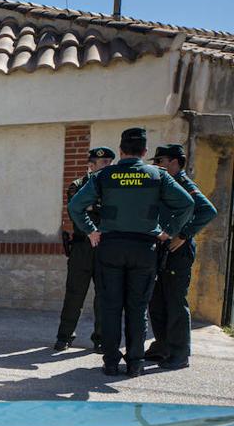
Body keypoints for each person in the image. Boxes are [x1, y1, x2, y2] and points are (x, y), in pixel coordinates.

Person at [67, 128, 193, 377]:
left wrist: (91, 231)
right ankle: (135, 362)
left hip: (110, 248)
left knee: (111, 307)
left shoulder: (105, 175)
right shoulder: (158, 175)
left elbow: (75, 205)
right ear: (145, 152)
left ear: (121, 150)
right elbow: (187, 204)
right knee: (137, 308)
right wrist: (168, 232)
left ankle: (111, 362)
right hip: (144, 249)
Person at [145, 143, 219, 370]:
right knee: (157, 300)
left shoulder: (185, 185)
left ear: (175, 162)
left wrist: (184, 235)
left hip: (178, 252)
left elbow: (208, 211)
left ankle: (179, 353)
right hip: (161, 249)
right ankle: (162, 345)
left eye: (160, 161)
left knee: (175, 302)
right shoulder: (165, 184)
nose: (157, 165)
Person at [54, 146, 115, 351]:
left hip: (105, 247)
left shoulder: (114, 186)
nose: (108, 166)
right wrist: (98, 209)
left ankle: (100, 339)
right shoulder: (78, 185)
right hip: (82, 247)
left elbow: (110, 214)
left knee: (104, 296)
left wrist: (91, 208)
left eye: (110, 162)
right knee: (74, 294)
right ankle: (64, 337)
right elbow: (77, 216)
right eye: (103, 163)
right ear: (91, 165)